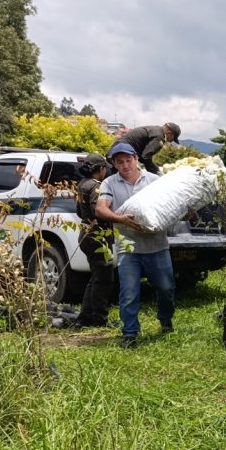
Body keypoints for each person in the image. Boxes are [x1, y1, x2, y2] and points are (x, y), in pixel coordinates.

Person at [95, 142, 176, 348]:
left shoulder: (154, 180)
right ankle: (130, 333)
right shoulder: (109, 183)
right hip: (128, 248)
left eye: (128, 160)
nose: (125, 165)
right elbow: (101, 209)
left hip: (157, 246)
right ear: (114, 164)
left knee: (166, 289)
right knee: (129, 293)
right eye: (119, 162)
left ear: (136, 159)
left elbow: (168, 204)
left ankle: (165, 319)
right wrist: (120, 219)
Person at [73, 152, 114, 328]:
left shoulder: (82, 184)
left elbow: (79, 212)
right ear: (101, 168)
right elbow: (99, 212)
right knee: (104, 279)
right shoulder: (97, 187)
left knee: (96, 278)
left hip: (86, 235)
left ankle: (84, 318)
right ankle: (99, 320)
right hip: (97, 236)